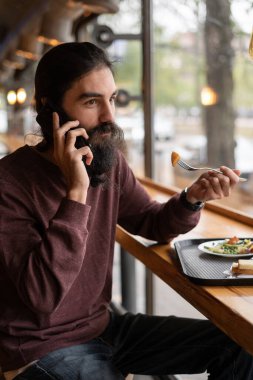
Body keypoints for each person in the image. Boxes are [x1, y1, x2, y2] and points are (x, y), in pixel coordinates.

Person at [0, 42, 252, 380]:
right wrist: (77, 192)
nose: (109, 117)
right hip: (39, 347)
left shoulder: (108, 162)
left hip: (104, 329)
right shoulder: (9, 183)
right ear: (49, 110)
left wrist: (192, 197)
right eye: (92, 102)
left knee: (241, 344)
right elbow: (42, 297)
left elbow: (151, 221)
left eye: (113, 99)